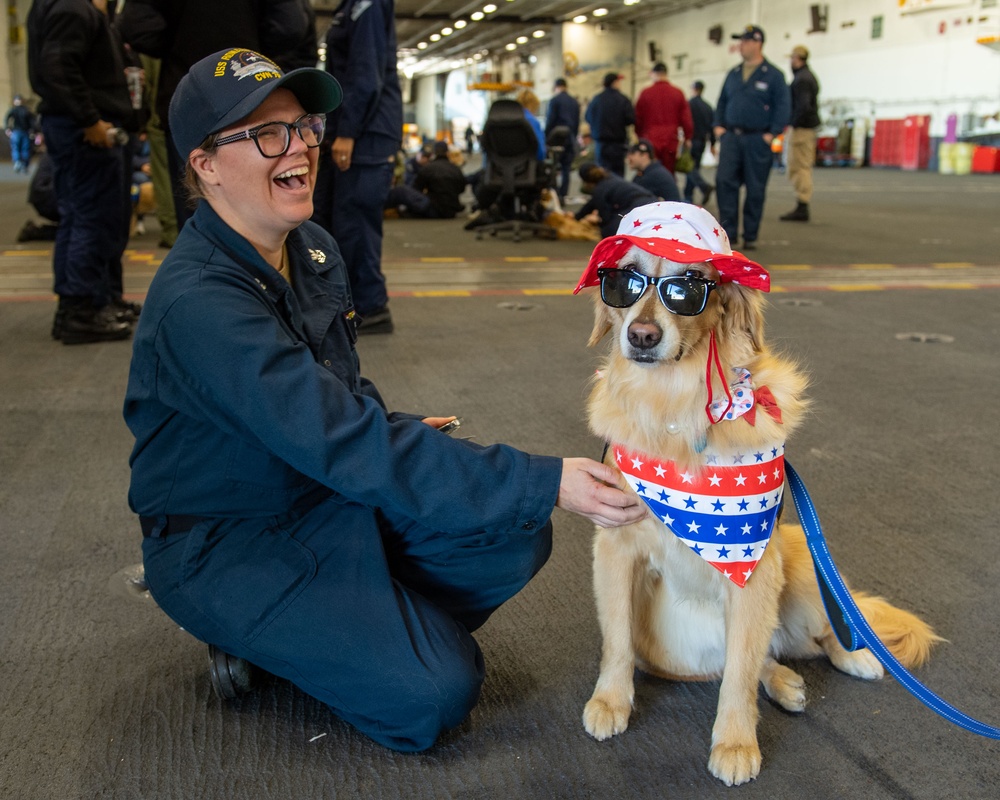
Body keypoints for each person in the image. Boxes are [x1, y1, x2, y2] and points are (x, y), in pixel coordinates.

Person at [123, 47, 645, 754]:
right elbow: (342, 438)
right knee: (435, 693)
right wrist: (544, 477)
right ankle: (280, 641)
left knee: (513, 532)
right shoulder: (199, 303)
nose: (301, 148)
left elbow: (343, 406)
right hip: (228, 540)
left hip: (319, 490)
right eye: (267, 134)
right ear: (205, 164)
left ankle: (345, 630)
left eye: (303, 125)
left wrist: (396, 434)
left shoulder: (309, 250)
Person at [117, 0, 309, 233]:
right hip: (251, 97)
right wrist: (246, 50)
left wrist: (180, 44)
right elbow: (290, 27)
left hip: (188, 97)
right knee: (265, 209)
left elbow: (135, 26)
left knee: (196, 213)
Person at [27, 0, 137, 344]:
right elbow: (58, 67)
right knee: (90, 219)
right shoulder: (72, 7)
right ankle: (81, 309)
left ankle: (88, 302)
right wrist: (89, 119)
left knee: (81, 218)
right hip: (84, 131)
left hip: (79, 126)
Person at [311, 0, 401, 335]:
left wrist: (347, 132)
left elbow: (366, 73)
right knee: (333, 220)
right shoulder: (351, 6)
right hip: (352, 129)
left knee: (355, 224)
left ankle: (371, 306)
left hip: (366, 133)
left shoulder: (368, 4)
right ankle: (344, 302)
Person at [713, 24, 790, 251]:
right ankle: (729, 234)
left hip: (757, 139)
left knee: (755, 188)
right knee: (724, 182)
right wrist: (718, 125)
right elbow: (722, 102)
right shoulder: (734, 74)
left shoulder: (774, 75)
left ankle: (750, 234)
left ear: (758, 43)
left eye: (745, 41)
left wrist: (772, 133)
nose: (741, 46)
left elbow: (783, 107)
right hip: (732, 138)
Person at [780, 45, 820, 222]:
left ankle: (803, 204)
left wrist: (792, 123)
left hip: (802, 129)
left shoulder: (802, 80)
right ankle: (802, 203)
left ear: (798, 58)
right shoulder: (806, 77)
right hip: (805, 127)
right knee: (799, 165)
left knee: (800, 166)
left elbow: (803, 106)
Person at [633, 62, 692, 174]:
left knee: (648, 171)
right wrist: (688, 137)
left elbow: (638, 118)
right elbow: (686, 119)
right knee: (668, 172)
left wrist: (639, 135)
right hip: (671, 139)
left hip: (649, 138)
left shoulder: (645, 93)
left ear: (653, 74)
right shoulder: (678, 93)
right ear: (666, 73)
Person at [386, 140, 466, 218]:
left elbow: (416, 188)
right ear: (447, 153)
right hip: (451, 210)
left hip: (434, 209)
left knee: (400, 191)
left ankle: (379, 208)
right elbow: (462, 189)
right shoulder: (456, 169)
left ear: (434, 153)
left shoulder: (428, 168)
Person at [575, 162, 657, 237]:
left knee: (608, 231)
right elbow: (592, 203)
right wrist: (578, 216)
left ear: (586, 181)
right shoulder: (609, 177)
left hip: (637, 206)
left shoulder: (600, 190)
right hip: (651, 200)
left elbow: (605, 218)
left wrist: (597, 222)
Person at [585, 73, 634, 176]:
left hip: (601, 144)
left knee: (601, 173)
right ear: (615, 82)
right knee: (618, 175)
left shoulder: (596, 100)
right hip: (618, 144)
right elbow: (630, 119)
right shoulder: (623, 99)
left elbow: (588, 117)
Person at [544, 77, 580, 202]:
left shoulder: (554, 101)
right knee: (566, 169)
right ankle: (563, 196)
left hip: (556, 140)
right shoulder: (574, 102)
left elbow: (550, 121)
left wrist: (546, 138)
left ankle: (554, 195)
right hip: (570, 138)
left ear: (555, 87)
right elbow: (576, 123)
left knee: (553, 168)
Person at [683, 80, 716, 206]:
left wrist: (686, 138)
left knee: (689, 169)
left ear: (693, 89)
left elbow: (686, 123)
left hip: (690, 141)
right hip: (702, 142)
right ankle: (688, 197)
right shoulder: (708, 107)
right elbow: (712, 127)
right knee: (694, 168)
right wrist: (712, 144)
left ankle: (703, 187)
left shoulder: (689, 105)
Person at [5, 95, 37, 173]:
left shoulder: (13, 110)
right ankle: (25, 165)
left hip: (16, 132)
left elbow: (7, 118)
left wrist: (7, 128)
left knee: (16, 148)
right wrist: (33, 131)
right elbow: (33, 121)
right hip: (25, 132)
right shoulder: (27, 110)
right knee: (25, 149)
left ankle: (17, 162)